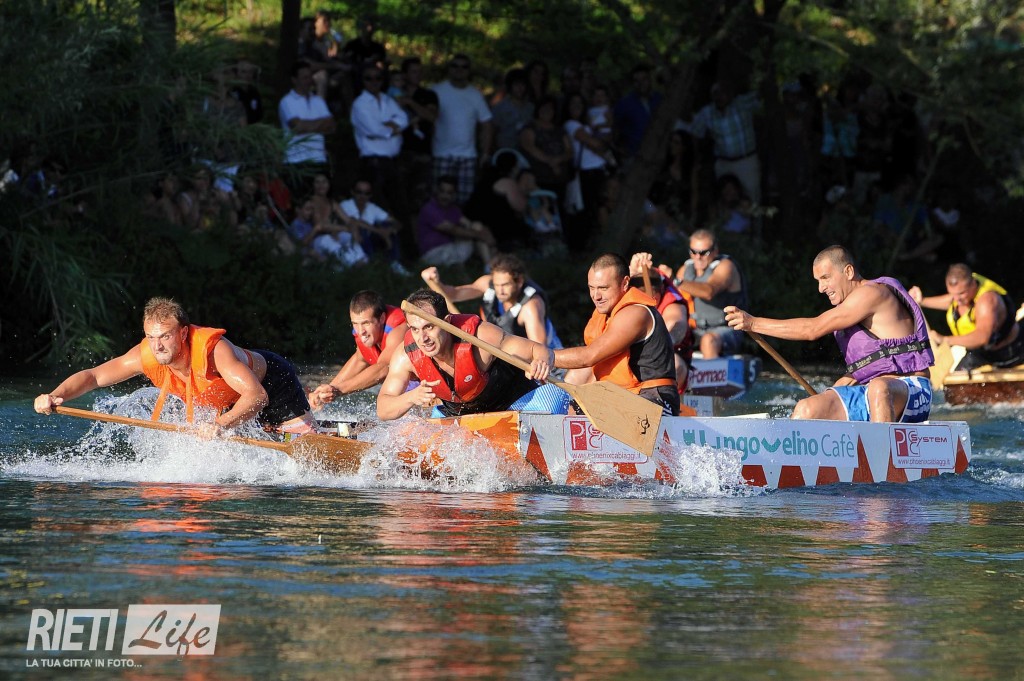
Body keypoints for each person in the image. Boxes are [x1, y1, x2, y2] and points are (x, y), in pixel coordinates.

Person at [33, 297, 316, 435]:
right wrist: (55, 395)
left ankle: (306, 425)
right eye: (151, 337)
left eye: (165, 337)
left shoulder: (215, 351)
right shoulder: (145, 355)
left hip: (272, 384)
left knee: (304, 450)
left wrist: (219, 424)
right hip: (228, 403)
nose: (157, 346)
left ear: (182, 333)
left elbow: (257, 396)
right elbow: (94, 377)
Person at [724, 245, 934, 423]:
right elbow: (865, 369)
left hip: (912, 392)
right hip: (871, 392)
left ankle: (883, 455)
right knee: (808, 408)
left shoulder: (872, 293)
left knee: (879, 388)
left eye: (825, 278)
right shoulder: (851, 309)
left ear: (848, 272)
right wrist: (827, 398)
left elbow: (812, 329)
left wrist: (753, 323)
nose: (821, 288)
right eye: (818, 280)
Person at [377, 289, 570, 419]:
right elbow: (383, 409)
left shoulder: (481, 336)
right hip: (460, 416)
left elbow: (539, 350)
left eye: (429, 327)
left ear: (447, 322)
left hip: (515, 405)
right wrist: (411, 397)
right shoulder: (405, 355)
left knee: (556, 395)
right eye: (415, 329)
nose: (423, 338)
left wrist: (541, 362)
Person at [553, 253, 680, 416]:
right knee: (573, 408)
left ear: (625, 283)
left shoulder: (636, 312)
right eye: (591, 288)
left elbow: (588, 356)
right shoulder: (607, 314)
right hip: (622, 395)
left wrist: (542, 355)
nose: (596, 296)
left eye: (603, 288)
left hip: (656, 397)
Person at [421, 253, 563, 351]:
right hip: (507, 355)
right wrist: (436, 282)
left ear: (519, 281)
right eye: (497, 284)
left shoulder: (531, 306)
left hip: (548, 364)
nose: (499, 290)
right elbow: (454, 295)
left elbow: (540, 351)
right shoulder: (488, 283)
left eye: (505, 285)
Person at [909, 264, 1024, 371]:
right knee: (954, 380)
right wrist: (922, 301)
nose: (957, 299)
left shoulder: (987, 301)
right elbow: (952, 301)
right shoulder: (962, 294)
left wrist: (944, 340)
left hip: (1009, 352)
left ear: (973, 284)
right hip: (983, 353)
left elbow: (982, 337)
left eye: (961, 293)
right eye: (953, 294)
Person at [309, 290, 408, 409]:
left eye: (366, 323)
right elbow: (359, 359)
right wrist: (328, 389)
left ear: (381, 318)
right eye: (355, 324)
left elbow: (384, 368)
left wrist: (338, 390)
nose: (361, 331)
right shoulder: (369, 334)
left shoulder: (399, 331)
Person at [672, 229, 747, 359]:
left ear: (715, 251)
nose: (698, 257)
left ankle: (712, 370)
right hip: (696, 330)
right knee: (670, 336)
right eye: (693, 252)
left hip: (726, 330)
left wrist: (676, 281)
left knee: (708, 341)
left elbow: (709, 291)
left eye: (703, 253)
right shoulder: (685, 270)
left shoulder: (726, 266)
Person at [630, 253, 696, 394]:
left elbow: (677, 325)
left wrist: (658, 343)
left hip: (672, 357)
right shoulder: (628, 291)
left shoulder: (673, 303)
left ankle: (662, 400)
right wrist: (632, 270)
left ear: (657, 295)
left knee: (673, 364)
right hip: (633, 355)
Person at [431, 54, 493, 204]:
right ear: (449, 68)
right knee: (439, 200)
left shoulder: (475, 95)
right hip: (442, 154)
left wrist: (485, 152)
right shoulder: (436, 91)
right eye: (455, 66)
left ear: (469, 71)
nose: (459, 70)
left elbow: (487, 123)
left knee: (465, 201)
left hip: (468, 157)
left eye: (464, 67)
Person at [278, 60, 336, 186]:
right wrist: (321, 123)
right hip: (296, 161)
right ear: (294, 80)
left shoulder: (318, 101)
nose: (309, 81)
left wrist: (307, 125)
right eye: (304, 78)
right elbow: (298, 127)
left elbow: (331, 126)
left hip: (319, 160)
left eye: (310, 77)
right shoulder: (287, 101)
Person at [416, 175, 495, 266]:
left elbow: (469, 224)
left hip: (450, 249)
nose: (445, 196)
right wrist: (481, 235)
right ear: (436, 191)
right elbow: (453, 230)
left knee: (477, 225)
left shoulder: (453, 209)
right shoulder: (429, 209)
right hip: (433, 254)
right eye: (442, 191)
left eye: (449, 193)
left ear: (454, 195)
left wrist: (485, 233)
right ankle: (490, 265)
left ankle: (490, 264)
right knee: (477, 235)